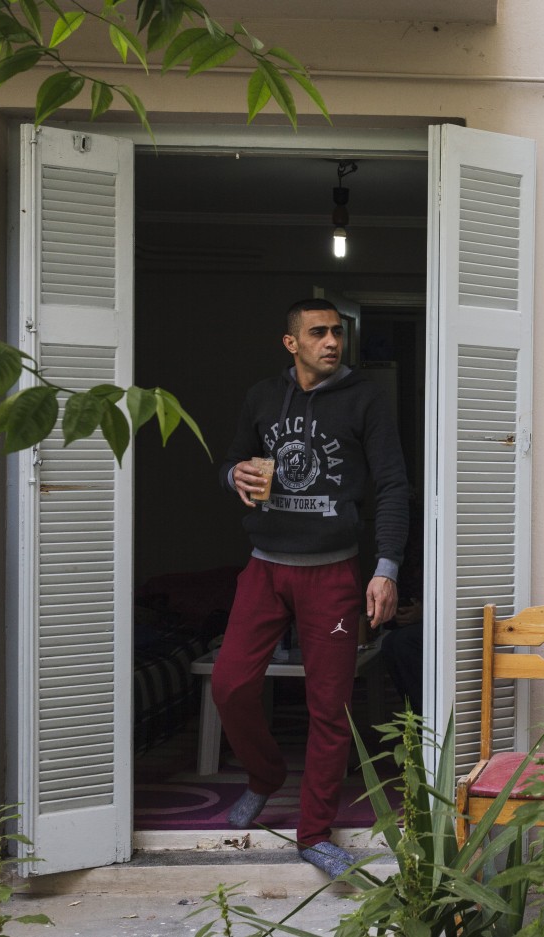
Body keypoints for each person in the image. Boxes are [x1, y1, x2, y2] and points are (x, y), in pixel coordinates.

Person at [212, 298, 408, 878]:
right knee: (230, 685)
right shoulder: (262, 397)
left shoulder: (366, 398)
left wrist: (387, 568)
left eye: (337, 333)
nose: (332, 342)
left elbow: (394, 485)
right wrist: (234, 476)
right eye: (318, 333)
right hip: (266, 567)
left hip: (334, 572)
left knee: (331, 707)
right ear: (290, 342)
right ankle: (265, 775)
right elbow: (230, 462)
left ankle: (314, 833)